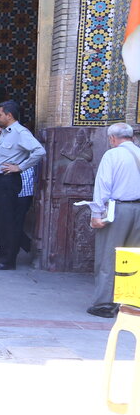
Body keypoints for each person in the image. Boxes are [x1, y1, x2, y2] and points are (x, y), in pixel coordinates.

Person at [0, 100, 45, 271]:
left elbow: (39, 151)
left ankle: (7, 261)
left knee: (6, 221)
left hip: (9, 180)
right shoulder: (5, 133)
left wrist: (20, 167)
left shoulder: (20, 132)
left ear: (9, 115)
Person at [87, 123, 140, 317]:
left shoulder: (112, 155)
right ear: (132, 137)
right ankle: (130, 303)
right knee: (133, 257)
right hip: (138, 210)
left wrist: (96, 213)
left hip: (118, 210)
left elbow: (103, 185)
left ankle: (104, 304)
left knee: (108, 257)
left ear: (112, 138)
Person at [17, 162, 38, 254]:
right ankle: (27, 246)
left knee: (15, 223)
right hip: (19, 193)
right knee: (14, 223)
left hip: (25, 194)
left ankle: (29, 246)